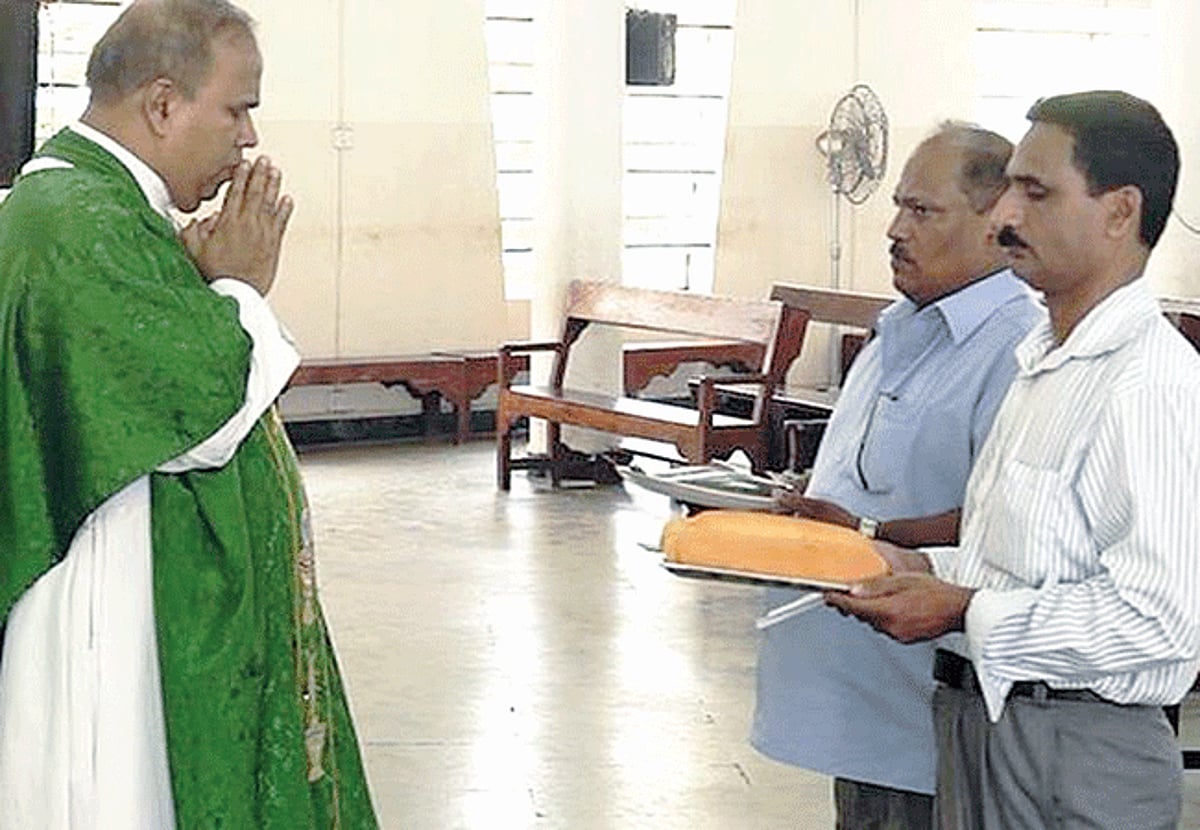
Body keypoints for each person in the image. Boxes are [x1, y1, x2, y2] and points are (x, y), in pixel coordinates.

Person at [0, 1, 378, 826]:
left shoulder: (107, 210)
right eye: (237, 107)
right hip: (114, 611)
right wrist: (239, 285)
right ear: (164, 105)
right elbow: (195, 415)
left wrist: (204, 282)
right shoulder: (77, 222)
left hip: (139, 582)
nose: (249, 138)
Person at [829, 90, 1200, 830]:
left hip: (1076, 745)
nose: (1005, 217)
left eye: (1036, 192)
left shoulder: (1148, 384)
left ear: (1120, 211)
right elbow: (1026, 556)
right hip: (981, 720)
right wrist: (921, 570)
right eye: (1007, 193)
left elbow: (1164, 621)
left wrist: (967, 608)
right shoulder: (1046, 362)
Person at [753, 123, 1045, 829]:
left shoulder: (1015, 352)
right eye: (898, 206)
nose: (894, 229)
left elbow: (1007, 525)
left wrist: (864, 532)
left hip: (931, 709)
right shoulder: (898, 331)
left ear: (994, 226)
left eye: (923, 211)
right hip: (860, 702)